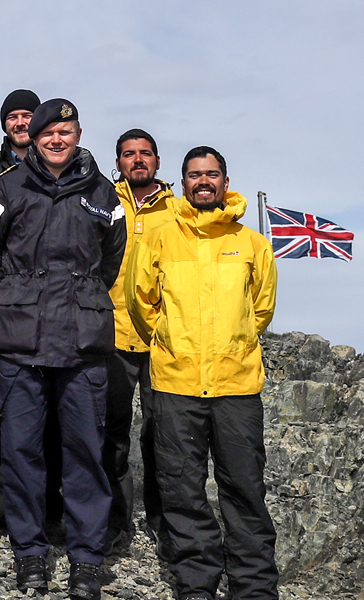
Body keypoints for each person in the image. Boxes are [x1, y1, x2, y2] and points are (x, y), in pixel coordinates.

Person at [0, 99, 126, 597]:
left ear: (79, 134)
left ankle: (86, 557)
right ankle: (31, 553)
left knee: (86, 452)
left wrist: (80, 295)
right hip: (22, 342)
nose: (56, 140)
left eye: (66, 131)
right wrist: (23, 296)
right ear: (34, 138)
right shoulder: (4, 189)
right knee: (21, 452)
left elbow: (111, 260)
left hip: (83, 342)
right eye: (48, 133)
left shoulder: (105, 193)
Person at [125, 146, 278, 600]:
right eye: (194, 175)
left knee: (245, 487)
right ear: (184, 181)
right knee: (182, 490)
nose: (203, 182)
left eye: (212, 174)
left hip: (237, 387)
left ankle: (253, 587)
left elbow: (262, 308)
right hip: (176, 385)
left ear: (226, 181)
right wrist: (171, 340)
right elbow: (140, 301)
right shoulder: (160, 239)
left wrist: (235, 342)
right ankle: (195, 583)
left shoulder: (252, 243)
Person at [0, 89, 64, 538]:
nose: (20, 123)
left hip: (51, 314)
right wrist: (14, 289)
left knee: (50, 409)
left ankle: (49, 506)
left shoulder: (64, 172)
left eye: (27, 116)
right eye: (13, 117)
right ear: (3, 125)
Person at [102, 129, 176, 554]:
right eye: (128, 154)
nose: (137, 160)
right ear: (119, 162)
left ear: (158, 161)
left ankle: (163, 522)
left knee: (161, 434)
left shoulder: (178, 210)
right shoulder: (103, 201)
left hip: (162, 340)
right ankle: (115, 523)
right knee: (112, 435)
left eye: (145, 153)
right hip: (111, 335)